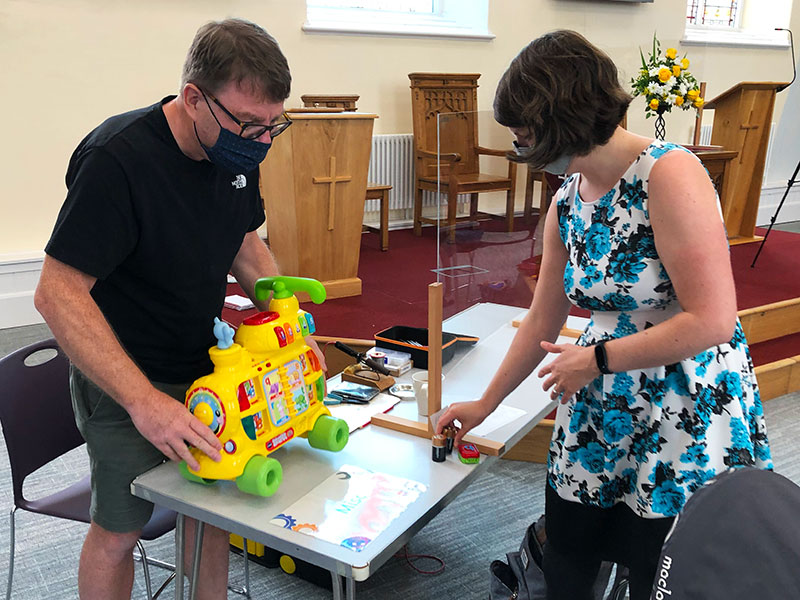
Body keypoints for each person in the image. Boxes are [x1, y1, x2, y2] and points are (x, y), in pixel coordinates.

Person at [436, 30, 772, 600]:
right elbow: (543, 319)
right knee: (570, 553)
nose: (523, 150)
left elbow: (713, 320)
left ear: (562, 118)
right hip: (601, 399)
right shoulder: (568, 199)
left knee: (660, 567)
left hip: (682, 402)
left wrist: (596, 358)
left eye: (525, 138)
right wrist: (483, 406)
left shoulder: (668, 174)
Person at [34, 18, 319, 599]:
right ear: (193, 99)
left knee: (210, 511)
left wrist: (290, 325)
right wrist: (145, 403)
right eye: (247, 124)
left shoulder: (237, 147)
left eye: (273, 127)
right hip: (126, 374)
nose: (261, 141)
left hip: (205, 363)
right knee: (120, 530)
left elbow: (241, 239)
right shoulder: (118, 161)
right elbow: (57, 293)